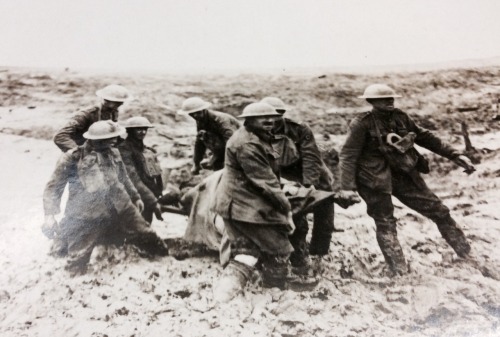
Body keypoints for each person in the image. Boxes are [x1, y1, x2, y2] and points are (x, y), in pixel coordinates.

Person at [338, 83, 482, 277]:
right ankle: (399, 272)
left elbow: (425, 137)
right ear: (371, 101)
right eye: (383, 99)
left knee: (439, 210)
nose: (389, 101)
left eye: (391, 98)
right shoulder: (361, 123)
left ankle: (466, 254)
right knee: (385, 222)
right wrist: (347, 187)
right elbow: (348, 154)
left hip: (404, 174)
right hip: (373, 180)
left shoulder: (401, 117)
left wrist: (455, 156)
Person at [212, 102, 316, 302]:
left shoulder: (257, 137)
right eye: (263, 118)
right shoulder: (247, 144)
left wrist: (283, 185)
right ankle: (273, 290)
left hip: (239, 202)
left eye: (272, 117)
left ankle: (224, 298)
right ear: (249, 121)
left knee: (247, 252)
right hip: (245, 206)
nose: (270, 121)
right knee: (279, 249)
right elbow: (266, 183)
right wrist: (286, 212)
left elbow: (268, 175)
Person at [43, 120, 168, 275]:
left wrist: (136, 197)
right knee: (77, 258)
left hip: (122, 206)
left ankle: (165, 263)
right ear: (96, 140)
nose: (115, 141)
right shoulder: (73, 157)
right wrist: (49, 215)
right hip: (87, 213)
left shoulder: (114, 152)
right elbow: (54, 187)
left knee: (147, 235)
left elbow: (124, 177)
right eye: (110, 138)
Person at [260, 97, 339, 273]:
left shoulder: (299, 129)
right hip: (283, 173)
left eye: (277, 115)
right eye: (267, 116)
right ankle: (296, 255)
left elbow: (311, 157)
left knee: (324, 210)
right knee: (294, 213)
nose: (272, 120)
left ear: (283, 114)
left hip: (313, 172)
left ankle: (319, 253)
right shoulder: (255, 132)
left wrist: (308, 185)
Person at [53, 84, 131, 152]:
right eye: (117, 102)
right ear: (106, 100)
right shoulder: (85, 115)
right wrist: (78, 152)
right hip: (83, 152)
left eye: (121, 101)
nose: (121, 104)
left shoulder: (113, 112)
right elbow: (60, 136)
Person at [118, 116, 164, 224]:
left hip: (148, 194)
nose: (143, 132)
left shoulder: (147, 150)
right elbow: (132, 176)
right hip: (133, 195)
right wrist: (152, 200)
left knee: (146, 223)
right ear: (130, 130)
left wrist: (157, 193)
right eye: (138, 129)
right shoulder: (124, 149)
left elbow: (156, 175)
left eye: (145, 129)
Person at [177, 97, 240, 174]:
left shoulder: (221, 120)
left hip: (239, 148)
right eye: (192, 114)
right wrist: (196, 163)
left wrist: (216, 160)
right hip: (223, 149)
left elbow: (232, 143)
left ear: (204, 110)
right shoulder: (201, 120)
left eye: (197, 112)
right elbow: (199, 142)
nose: (195, 116)